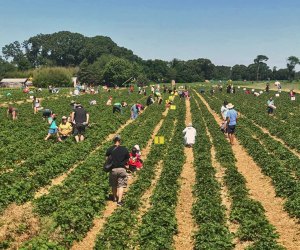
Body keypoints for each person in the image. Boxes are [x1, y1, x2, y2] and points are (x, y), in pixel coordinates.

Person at [106, 135, 130, 206]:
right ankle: (119, 201)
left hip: (113, 169)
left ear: (114, 141)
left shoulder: (110, 149)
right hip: (122, 169)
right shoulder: (124, 149)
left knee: (114, 185)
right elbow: (127, 159)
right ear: (120, 141)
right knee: (121, 185)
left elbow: (106, 159)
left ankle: (114, 198)